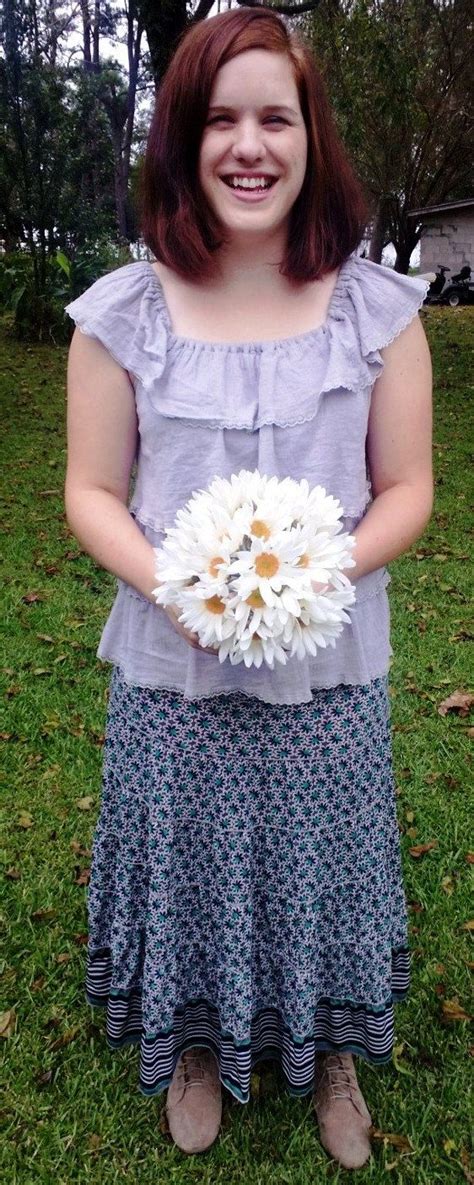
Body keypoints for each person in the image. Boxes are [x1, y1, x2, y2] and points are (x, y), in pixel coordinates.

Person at [64, 6, 433, 1170]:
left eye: (276, 117)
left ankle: (330, 1051)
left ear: (311, 139)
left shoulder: (380, 314)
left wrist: (311, 574)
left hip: (325, 663)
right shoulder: (121, 316)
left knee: (320, 856)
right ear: (182, 140)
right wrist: (182, 587)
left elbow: (408, 489)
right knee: (192, 856)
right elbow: (90, 492)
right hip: (175, 669)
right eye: (220, 119)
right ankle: (192, 1044)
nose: (250, 145)